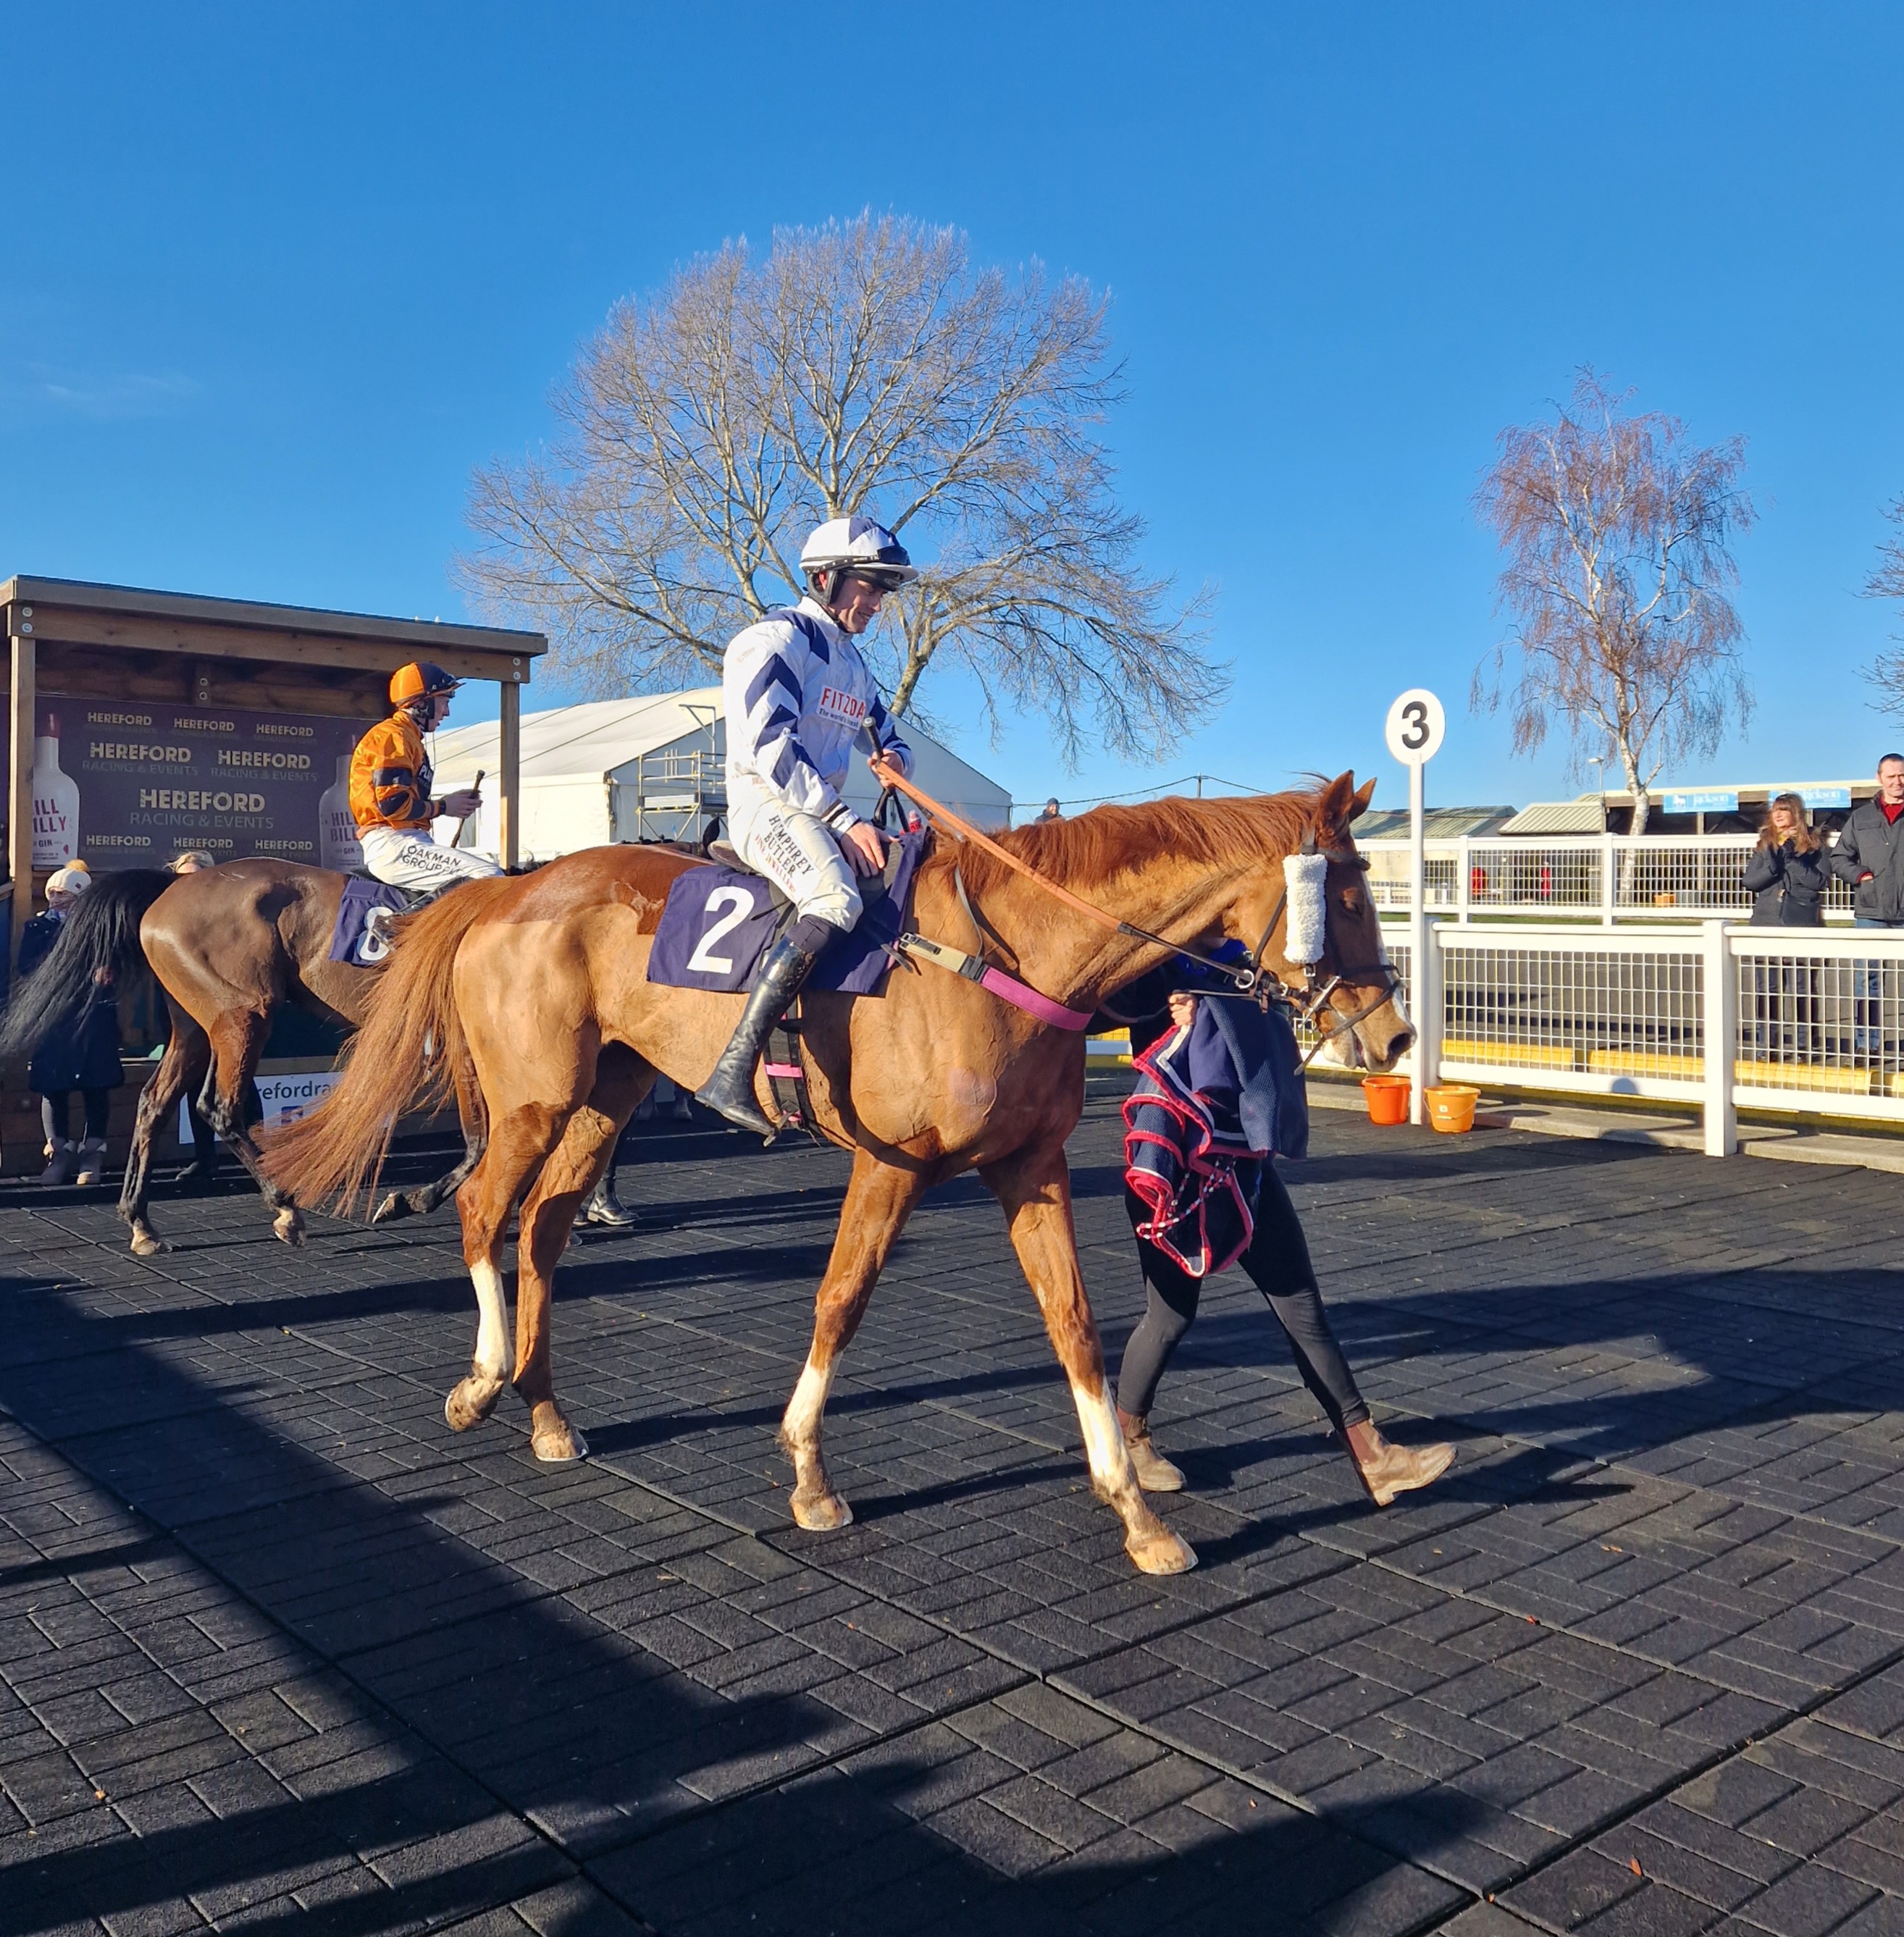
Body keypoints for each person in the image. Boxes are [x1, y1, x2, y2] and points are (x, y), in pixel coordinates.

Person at [1112, 968, 1453, 1509]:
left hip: (1242, 1162)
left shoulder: (1239, 950)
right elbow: (1110, 1004)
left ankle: (1374, 1457)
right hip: (1176, 1160)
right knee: (1170, 1316)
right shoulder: (1159, 948)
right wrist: (1171, 1000)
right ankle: (1123, 1438)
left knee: (1302, 1307)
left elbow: (1290, 989)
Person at [696, 516, 917, 1134]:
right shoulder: (772, 640)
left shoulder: (852, 662)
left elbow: (890, 731)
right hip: (767, 805)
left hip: (816, 811)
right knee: (833, 896)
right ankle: (732, 1069)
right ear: (825, 578)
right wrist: (844, 819)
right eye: (868, 587)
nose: (875, 603)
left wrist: (895, 758)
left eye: (881, 591)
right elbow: (771, 747)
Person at [348, 663, 500, 895]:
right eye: (445, 701)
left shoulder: (408, 737)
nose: (447, 712)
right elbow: (392, 806)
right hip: (393, 843)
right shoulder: (392, 735)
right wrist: (444, 807)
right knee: (489, 877)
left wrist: (447, 804)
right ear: (421, 703)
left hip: (406, 841)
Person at [20, 867, 124, 1185]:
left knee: (96, 1083)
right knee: (54, 1086)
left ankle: (93, 1153)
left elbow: (115, 967)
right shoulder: (37, 927)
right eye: (52, 893)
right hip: (53, 1015)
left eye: (64, 895)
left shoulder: (102, 930)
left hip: (94, 1015)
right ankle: (59, 1153)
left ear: (80, 898)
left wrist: (107, 971)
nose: (56, 900)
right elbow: (26, 967)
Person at [1830, 756, 1904, 1056]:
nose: (1897, 781)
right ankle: (1867, 1045)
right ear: (1879, 778)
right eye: (1891, 776)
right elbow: (1839, 858)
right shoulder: (1860, 819)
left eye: (1902, 775)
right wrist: (1862, 876)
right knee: (1867, 982)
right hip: (1871, 914)